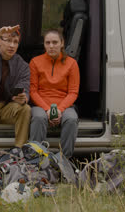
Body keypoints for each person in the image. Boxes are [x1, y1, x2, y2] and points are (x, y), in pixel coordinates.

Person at [29, 29, 80, 158]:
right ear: (44, 44)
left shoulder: (72, 63)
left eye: (55, 42)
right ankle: (34, 159)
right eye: (48, 43)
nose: (51, 46)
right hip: (41, 105)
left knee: (72, 119)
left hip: (64, 105)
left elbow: (73, 92)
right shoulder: (35, 62)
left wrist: (60, 110)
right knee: (39, 118)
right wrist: (47, 109)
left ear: (62, 43)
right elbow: (32, 91)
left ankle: (64, 160)